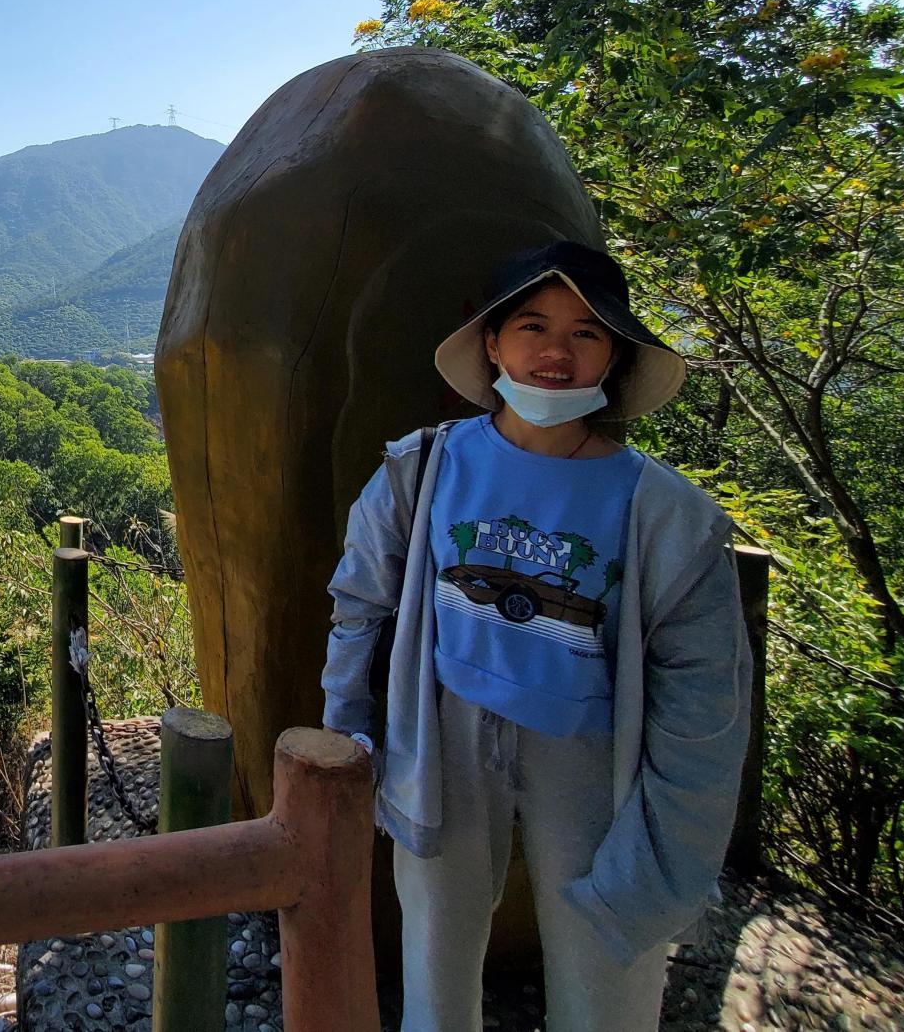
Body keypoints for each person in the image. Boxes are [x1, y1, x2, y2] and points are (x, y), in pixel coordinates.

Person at [319, 239, 751, 1032]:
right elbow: (359, 605)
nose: (556, 351)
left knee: (607, 963)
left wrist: (672, 832)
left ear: (613, 354)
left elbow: (704, 696)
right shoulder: (423, 468)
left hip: (593, 754)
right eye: (532, 325)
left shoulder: (667, 513)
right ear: (492, 344)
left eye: (586, 332)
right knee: (436, 961)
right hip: (443, 733)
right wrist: (348, 730)